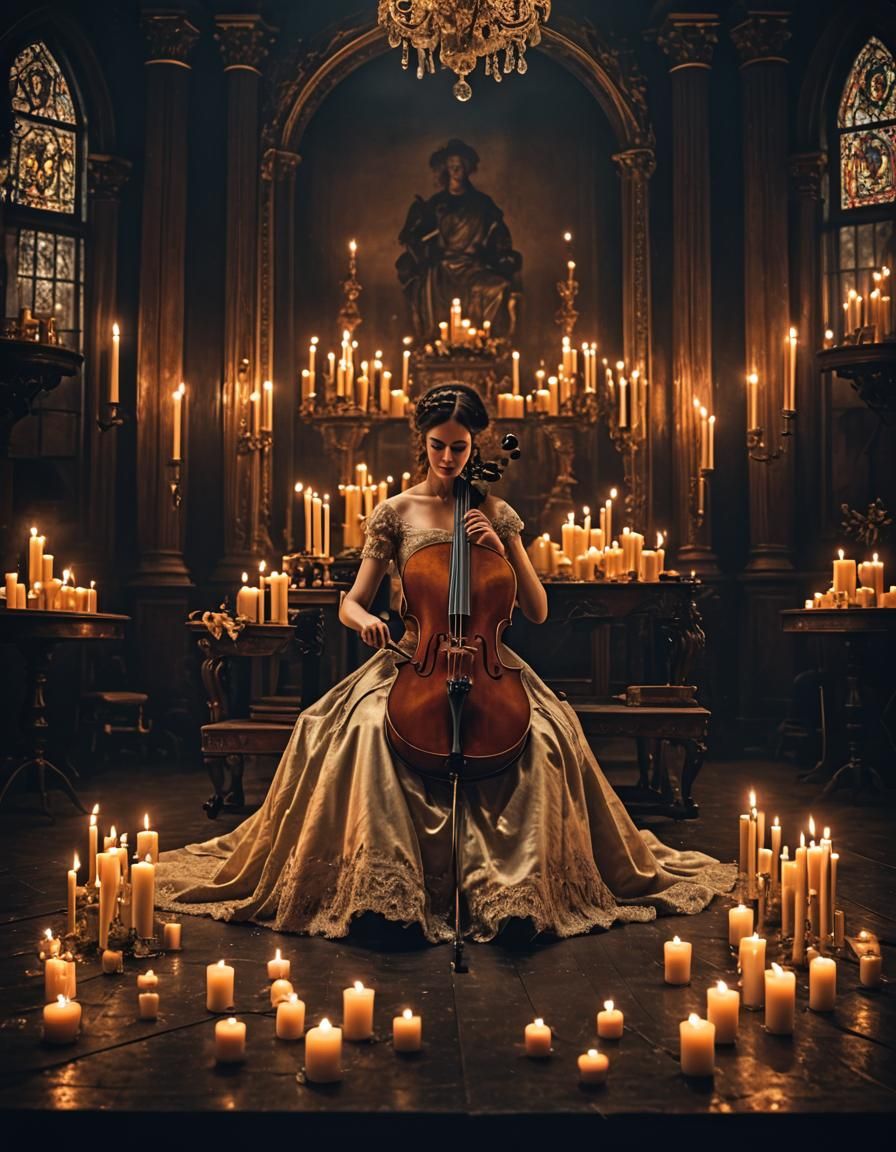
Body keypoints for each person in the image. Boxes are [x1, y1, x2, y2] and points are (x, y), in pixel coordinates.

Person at [156, 384, 733, 943]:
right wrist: (367, 622)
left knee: (546, 739)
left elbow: (536, 610)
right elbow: (351, 603)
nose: (449, 458)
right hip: (413, 656)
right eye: (439, 445)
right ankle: (385, 891)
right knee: (361, 731)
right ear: (423, 442)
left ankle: (515, 890)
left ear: (476, 445)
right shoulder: (395, 512)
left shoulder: (496, 512)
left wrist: (503, 548)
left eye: (460, 447)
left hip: (488, 659)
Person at [397, 139, 522, 342]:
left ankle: (488, 344)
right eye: (451, 166)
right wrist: (414, 237)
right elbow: (416, 237)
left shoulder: (482, 203)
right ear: (445, 169)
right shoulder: (436, 204)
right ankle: (434, 344)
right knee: (425, 283)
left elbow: (498, 234)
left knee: (500, 288)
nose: (456, 170)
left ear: (467, 168)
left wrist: (502, 254)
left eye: (460, 166)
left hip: (474, 267)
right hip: (441, 269)